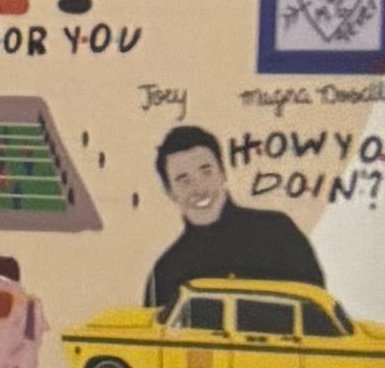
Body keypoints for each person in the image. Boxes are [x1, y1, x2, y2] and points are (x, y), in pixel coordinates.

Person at [141, 126, 328, 316]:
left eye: (206, 172)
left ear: (223, 172)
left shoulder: (278, 232)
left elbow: (317, 310)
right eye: (184, 180)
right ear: (170, 191)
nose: (199, 188)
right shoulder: (165, 272)